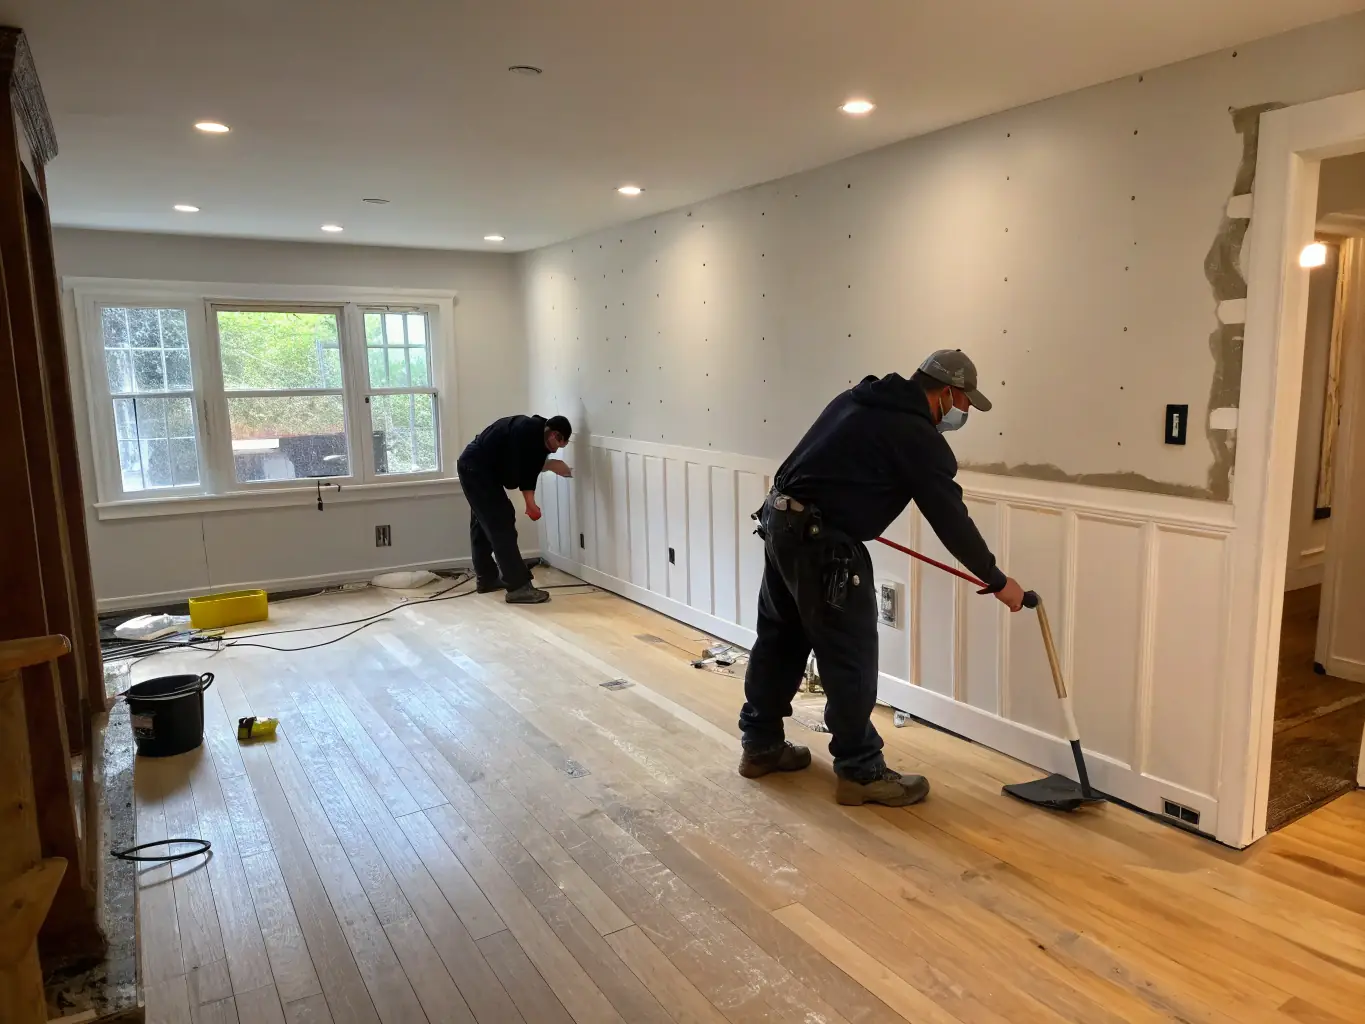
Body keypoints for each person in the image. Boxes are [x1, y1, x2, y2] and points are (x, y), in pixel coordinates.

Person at [737, 350, 1026, 806]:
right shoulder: (915, 435)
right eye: (966, 402)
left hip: (781, 525)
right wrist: (997, 579)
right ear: (946, 392)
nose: (965, 412)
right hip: (823, 546)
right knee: (849, 654)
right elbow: (951, 519)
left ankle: (761, 745)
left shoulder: (857, 399)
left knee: (780, 639)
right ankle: (861, 771)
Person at [457, 414, 573, 604]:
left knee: (484, 521)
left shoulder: (537, 438)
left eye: (562, 446)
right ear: (552, 433)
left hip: (480, 470)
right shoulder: (525, 429)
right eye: (558, 442)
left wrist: (530, 504)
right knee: (500, 520)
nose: (557, 447)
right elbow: (516, 474)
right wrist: (548, 468)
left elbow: (527, 472)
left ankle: (486, 578)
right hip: (475, 469)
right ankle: (518, 587)